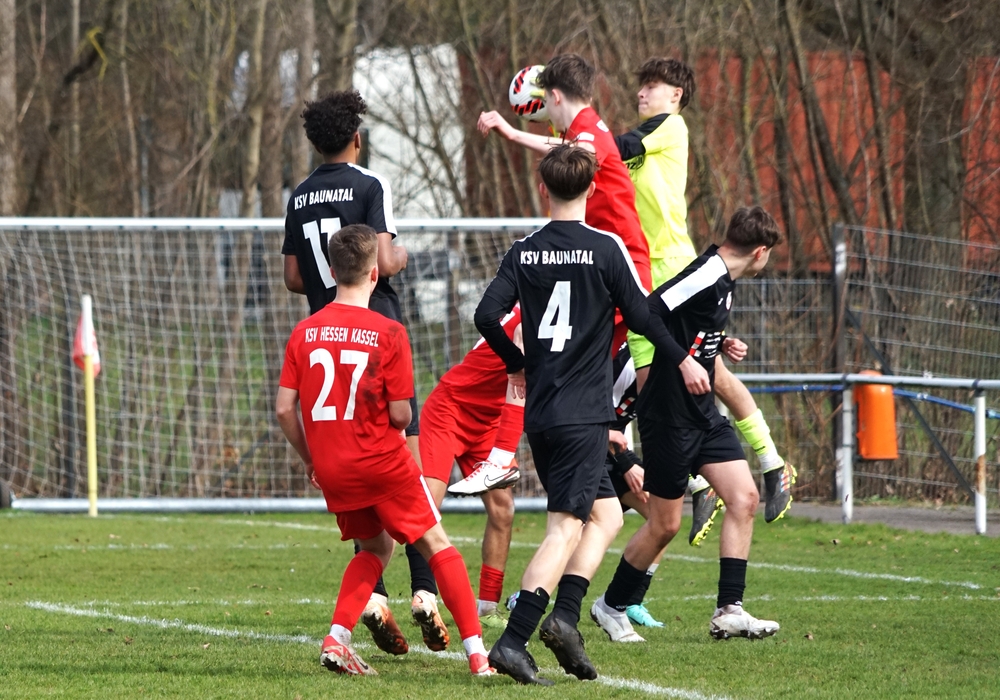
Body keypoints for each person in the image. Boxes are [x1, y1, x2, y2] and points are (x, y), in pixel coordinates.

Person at [474, 144, 677, 685]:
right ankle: (513, 641)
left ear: (544, 189)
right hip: (585, 414)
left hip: (543, 413)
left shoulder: (524, 250)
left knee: (607, 516)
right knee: (565, 528)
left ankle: (565, 618)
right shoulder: (606, 248)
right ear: (591, 189)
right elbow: (642, 315)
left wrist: (518, 361)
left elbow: (486, 315)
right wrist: (681, 357)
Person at [275, 224, 491, 677]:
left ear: (331, 272)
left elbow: (283, 410)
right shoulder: (389, 331)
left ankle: (337, 640)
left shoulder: (303, 332)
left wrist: (311, 459)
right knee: (437, 544)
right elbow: (399, 416)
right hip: (380, 461)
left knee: (374, 547)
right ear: (375, 273)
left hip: (333, 468)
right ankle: (478, 658)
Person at [282, 90, 447, 655]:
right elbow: (386, 257)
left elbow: (293, 277)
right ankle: (424, 591)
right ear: (357, 137)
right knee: (410, 465)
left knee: (358, 472)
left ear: (315, 142)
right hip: (377, 335)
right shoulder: (369, 184)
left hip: (327, 341)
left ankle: (373, 596)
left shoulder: (300, 195)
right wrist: (399, 257)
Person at [614, 57, 796, 544]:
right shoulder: (643, 141)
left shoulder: (670, 126)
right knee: (654, 386)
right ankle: (700, 483)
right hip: (642, 270)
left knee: (710, 375)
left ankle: (770, 462)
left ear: (676, 95)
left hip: (671, 265)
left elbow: (614, 147)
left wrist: (574, 129)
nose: (642, 93)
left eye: (652, 85)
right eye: (641, 85)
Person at [591, 207, 782, 644]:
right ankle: (610, 606)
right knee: (665, 525)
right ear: (760, 251)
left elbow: (685, 325)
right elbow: (646, 312)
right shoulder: (707, 273)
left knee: (744, 498)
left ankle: (729, 611)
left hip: (703, 416)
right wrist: (682, 360)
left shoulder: (725, 281)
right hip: (668, 418)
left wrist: (718, 343)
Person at [478, 53, 653, 354]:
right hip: (600, 266)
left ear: (555, 97)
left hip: (619, 268)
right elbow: (574, 147)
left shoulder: (588, 129)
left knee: (552, 351)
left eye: (545, 101)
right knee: (574, 360)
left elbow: (579, 152)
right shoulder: (581, 130)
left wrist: (513, 134)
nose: (546, 112)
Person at [419, 307, 525, 628]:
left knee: (503, 510)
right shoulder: (531, 314)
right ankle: (421, 596)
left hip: (489, 422)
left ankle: (487, 607)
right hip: (450, 409)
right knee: (425, 510)